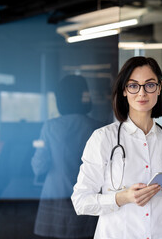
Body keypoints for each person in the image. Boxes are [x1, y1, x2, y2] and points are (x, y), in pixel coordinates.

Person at [71, 56, 162, 239]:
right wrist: (122, 197)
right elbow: (80, 202)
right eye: (133, 86)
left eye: (149, 85)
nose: (142, 93)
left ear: (159, 89)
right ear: (124, 90)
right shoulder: (103, 138)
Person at [31, 75, 103, 239]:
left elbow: (39, 165)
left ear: (60, 98)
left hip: (56, 195)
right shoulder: (97, 127)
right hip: (88, 197)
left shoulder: (50, 126)